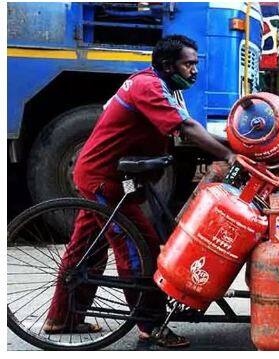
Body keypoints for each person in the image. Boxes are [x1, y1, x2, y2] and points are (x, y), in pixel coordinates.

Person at [43, 35, 234, 348]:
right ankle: (150, 325)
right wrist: (227, 155)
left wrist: (231, 147)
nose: (193, 71)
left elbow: (184, 132)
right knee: (138, 245)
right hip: (103, 179)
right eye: (188, 64)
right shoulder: (149, 87)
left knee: (86, 249)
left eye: (195, 64)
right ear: (167, 64)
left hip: (101, 174)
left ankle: (61, 318)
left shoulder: (161, 87)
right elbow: (186, 129)